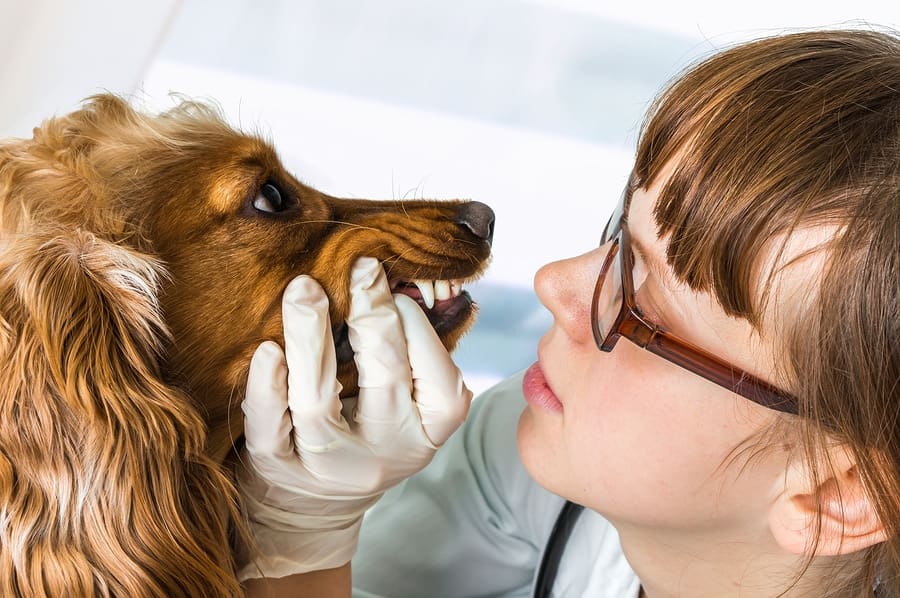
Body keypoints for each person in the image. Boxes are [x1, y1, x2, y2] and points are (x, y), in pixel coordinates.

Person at [238, 28, 900, 597]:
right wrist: (305, 540)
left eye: (642, 308)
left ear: (835, 494)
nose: (553, 281)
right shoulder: (531, 457)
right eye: (621, 236)